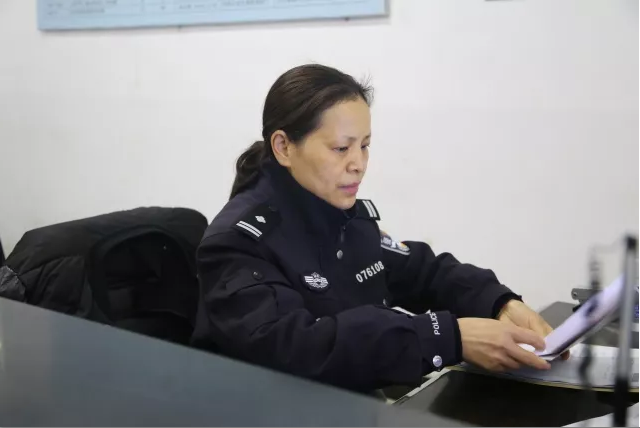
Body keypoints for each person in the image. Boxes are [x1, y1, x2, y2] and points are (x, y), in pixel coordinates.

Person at [191, 64, 565, 393]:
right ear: (284, 147)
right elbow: (298, 349)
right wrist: (444, 337)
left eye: (365, 146)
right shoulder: (238, 244)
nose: (359, 164)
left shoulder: (340, 213)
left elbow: (420, 271)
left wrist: (498, 303)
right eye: (341, 149)